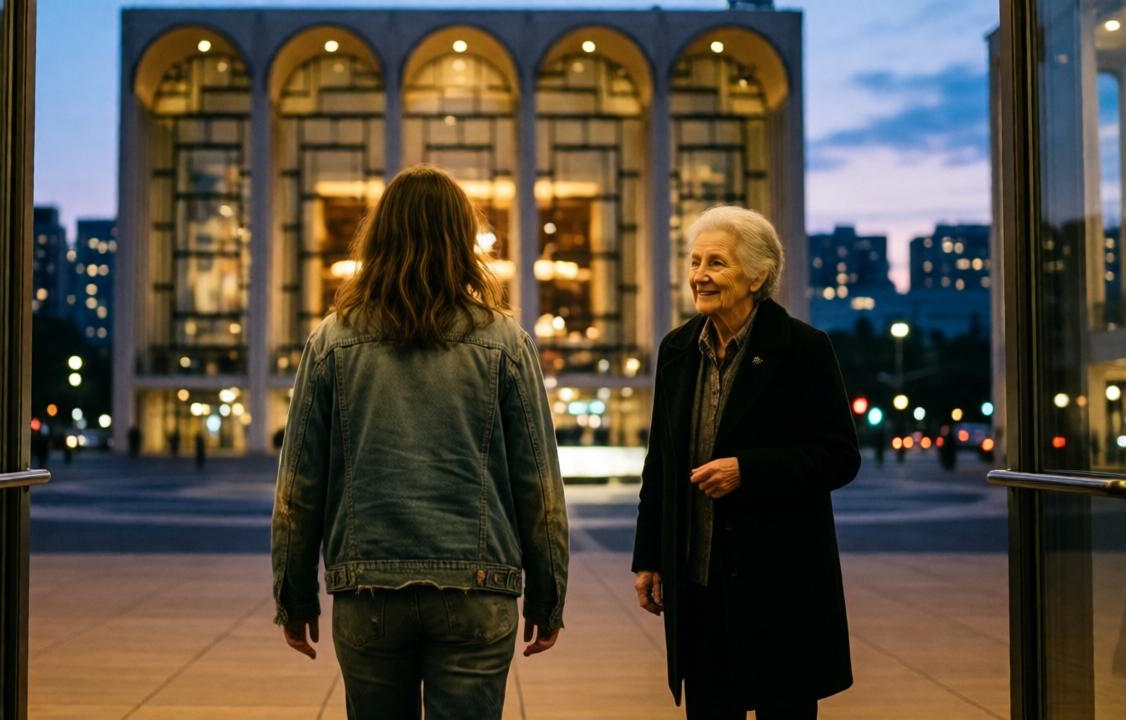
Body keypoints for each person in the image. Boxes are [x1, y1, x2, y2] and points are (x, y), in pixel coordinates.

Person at [271, 165, 569, 720]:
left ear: (379, 238)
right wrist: (548, 597)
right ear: (463, 241)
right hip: (480, 589)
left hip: (367, 590)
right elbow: (540, 486)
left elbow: (297, 488)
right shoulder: (505, 342)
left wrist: (293, 595)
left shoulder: (332, 341)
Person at [631, 206, 861, 720]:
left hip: (779, 587)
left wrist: (748, 470)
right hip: (699, 586)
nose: (700, 276)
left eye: (717, 262)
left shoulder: (803, 349)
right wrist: (649, 556)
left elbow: (839, 457)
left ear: (758, 275)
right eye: (694, 262)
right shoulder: (676, 350)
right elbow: (660, 465)